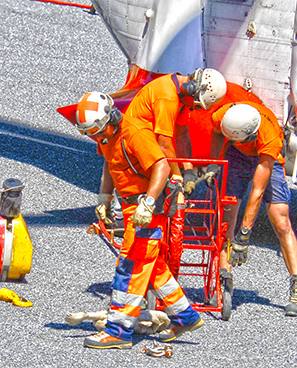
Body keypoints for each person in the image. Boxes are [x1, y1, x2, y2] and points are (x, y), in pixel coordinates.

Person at [75, 91, 203, 349]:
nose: (96, 138)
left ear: (110, 118)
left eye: (98, 132)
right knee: (152, 269)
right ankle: (185, 316)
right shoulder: (107, 135)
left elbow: (162, 167)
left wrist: (148, 202)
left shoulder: (134, 133)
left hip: (146, 211)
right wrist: (104, 197)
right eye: (91, 134)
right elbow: (111, 164)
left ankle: (118, 331)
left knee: (130, 268)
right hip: (133, 207)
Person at [211, 101, 297, 316]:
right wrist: (213, 162)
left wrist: (244, 236)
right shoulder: (224, 116)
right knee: (228, 212)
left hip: (266, 158)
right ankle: (223, 279)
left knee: (280, 220)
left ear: (251, 134)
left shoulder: (270, 136)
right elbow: (216, 132)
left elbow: (257, 191)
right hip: (236, 154)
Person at [123, 68, 227, 179]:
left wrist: (188, 171)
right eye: (197, 105)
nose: (194, 108)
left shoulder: (181, 96)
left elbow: (182, 134)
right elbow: (164, 145)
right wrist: (177, 176)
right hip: (133, 160)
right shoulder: (168, 98)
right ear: (190, 89)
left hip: (144, 154)